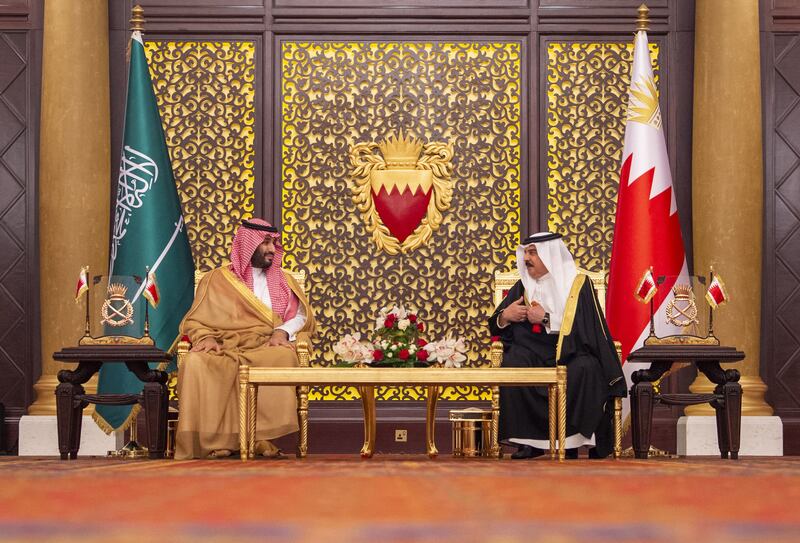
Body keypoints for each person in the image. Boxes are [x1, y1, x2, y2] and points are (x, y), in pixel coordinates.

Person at [175, 219, 315, 459]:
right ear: (247, 245)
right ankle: (218, 441)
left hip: (264, 344)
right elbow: (195, 319)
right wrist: (206, 336)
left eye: (274, 244)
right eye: (266, 243)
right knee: (195, 362)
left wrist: (281, 332)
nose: (272, 249)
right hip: (222, 344)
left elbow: (301, 316)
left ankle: (262, 437)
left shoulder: (283, 281)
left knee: (283, 355)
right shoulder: (216, 279)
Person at [488, 232, 626, 459]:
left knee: (586, 368)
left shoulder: (579, 284)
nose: (527, 258)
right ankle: (527, 441)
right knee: (514, 363)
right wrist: (506, 315)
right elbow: (495, 325)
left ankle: (571, 442)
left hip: (571, 351)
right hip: (531, 353)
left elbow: (588, 329)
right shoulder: (522, 286)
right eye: (526, 253)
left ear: (549, 255)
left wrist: (546, 319)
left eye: (533, 253)